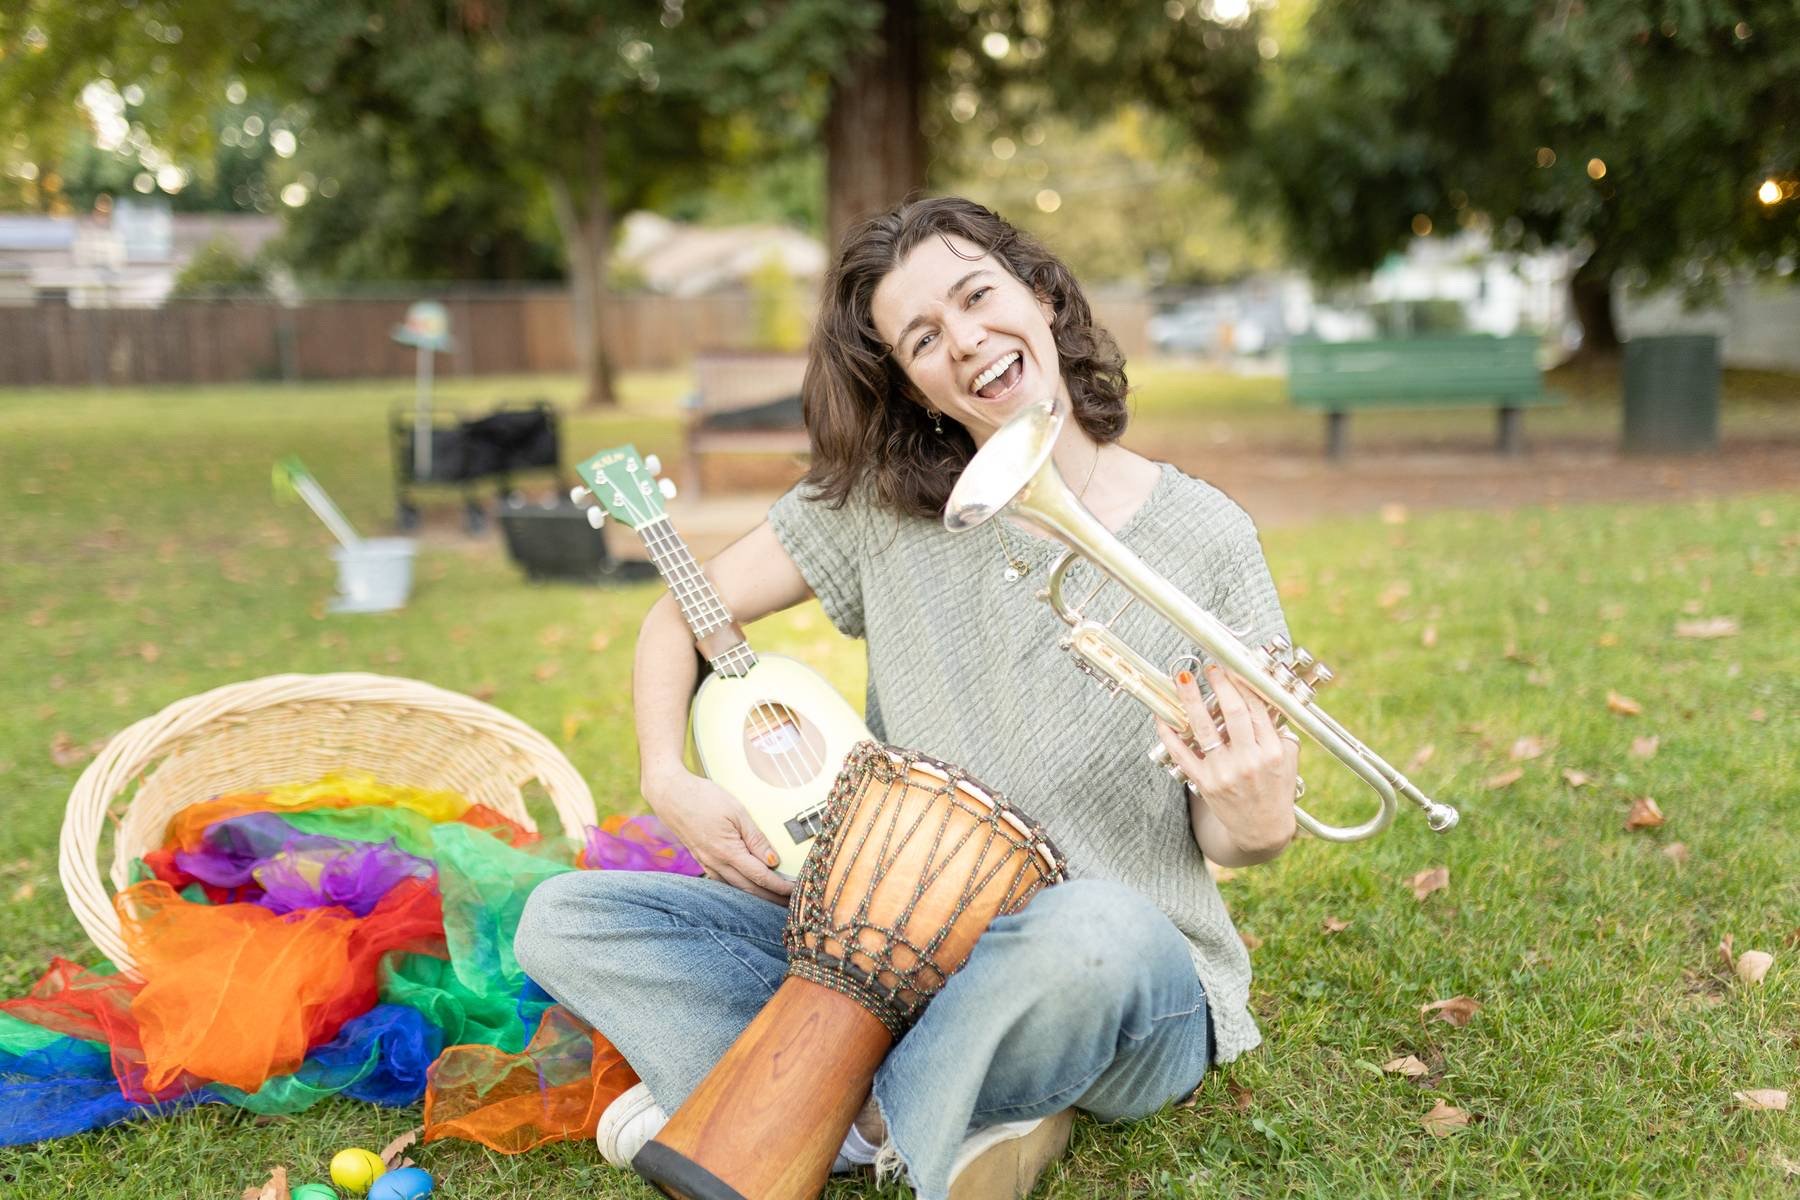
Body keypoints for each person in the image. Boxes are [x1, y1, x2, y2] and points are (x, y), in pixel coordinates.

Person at [514, 196, 1299, 1200]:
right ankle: (957, 1109)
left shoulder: (1208, 539)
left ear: (1045, 295)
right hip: (891, 961)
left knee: (1098, 929)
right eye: (923, 338)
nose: (965, 342)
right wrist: (666, 777)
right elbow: (679, 615)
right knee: (565, 919)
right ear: (915, 383)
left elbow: (1232, 835)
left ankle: (834, 1112)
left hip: (1114, 978)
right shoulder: (884, 504)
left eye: (978, 297)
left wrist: (1258, 817)